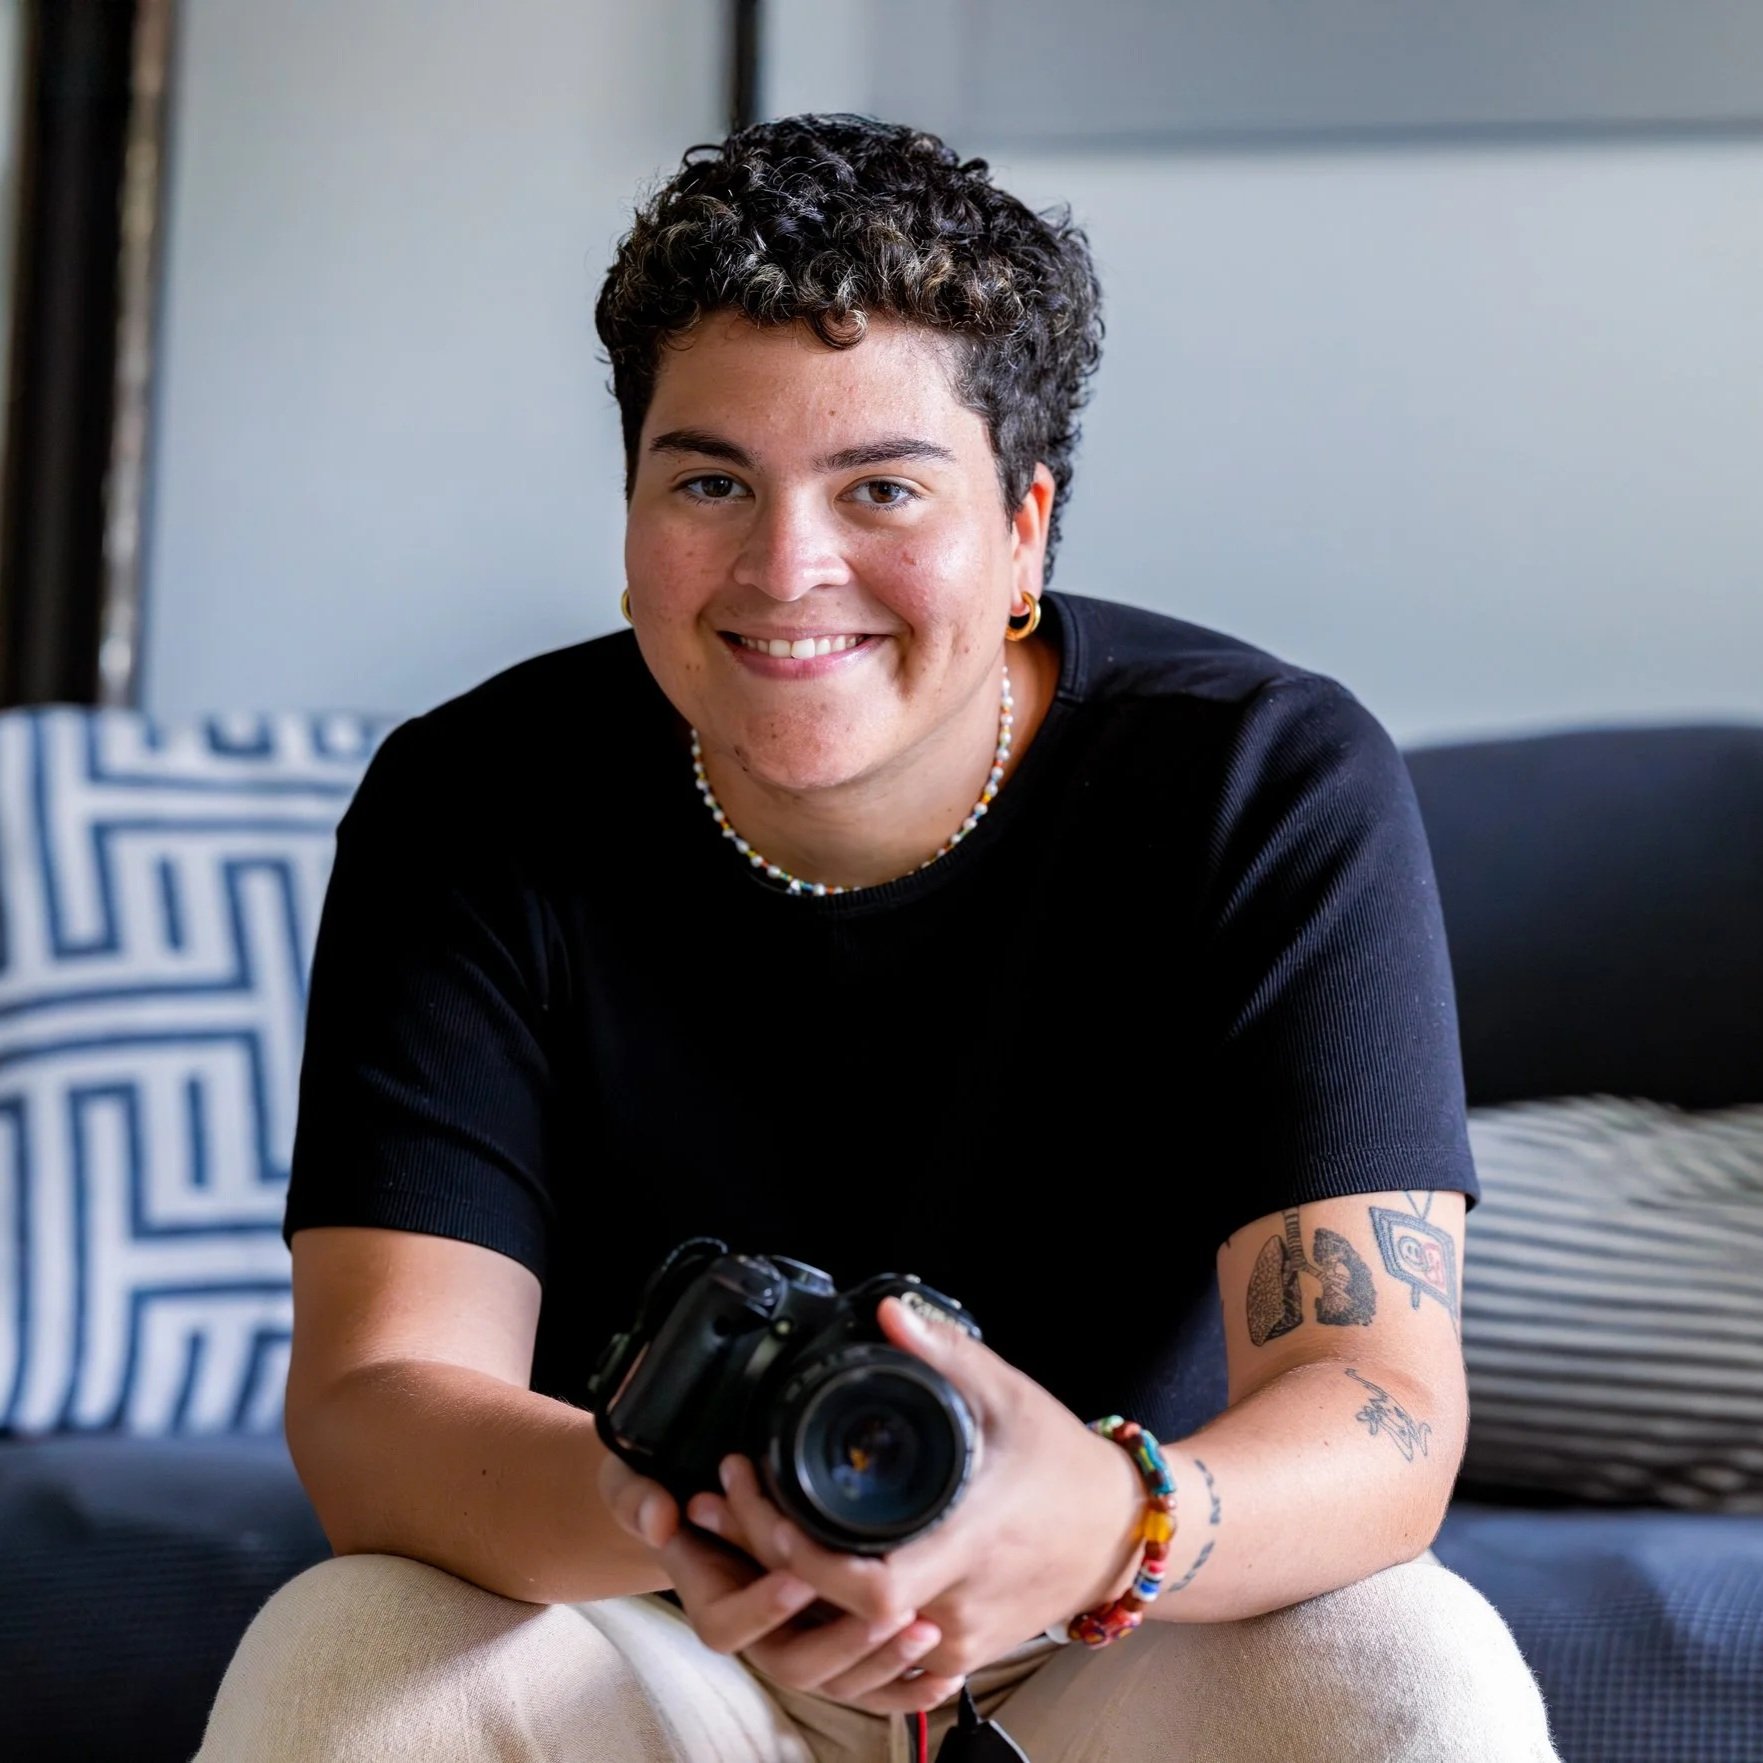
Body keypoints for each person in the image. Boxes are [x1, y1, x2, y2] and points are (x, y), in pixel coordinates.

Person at [197, 115, 1560, 1762]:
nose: (788, 571)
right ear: (630, 517)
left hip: (1119, 1608)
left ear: (1025, 530)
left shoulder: (1261, 782)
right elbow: (373, 1410)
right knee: (346, 1649)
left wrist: (1106, 1518)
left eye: (883, 489)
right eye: (711, 482)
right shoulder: (472, 800)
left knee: (1415, 1663)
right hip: (643, 1602)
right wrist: (684, 1515)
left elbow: (1384, 1401)